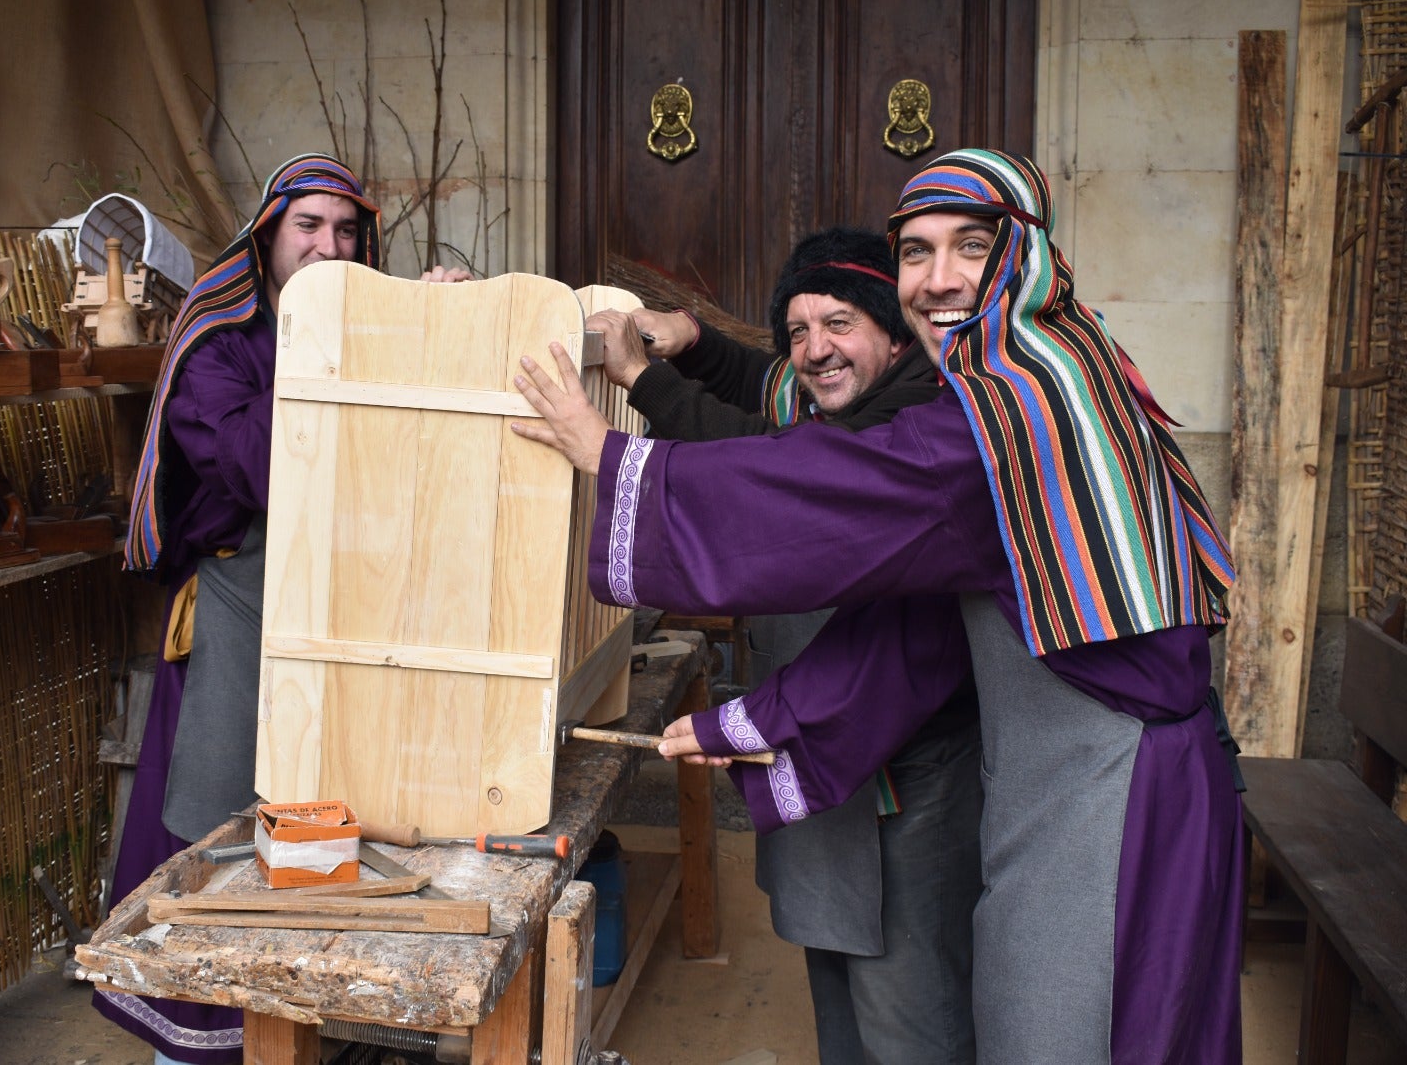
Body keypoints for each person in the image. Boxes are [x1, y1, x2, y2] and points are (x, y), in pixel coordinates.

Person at [513, 148, 1244, 1063]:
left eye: (969, 246)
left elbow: (828, 488)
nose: (939, 280)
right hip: (1075, 780)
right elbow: (914, 615)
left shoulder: (998, 412)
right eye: (916, 252)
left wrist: (617, 461)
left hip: (1115, 796)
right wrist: (765, 716)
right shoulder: (1040, 359)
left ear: (1025, 253)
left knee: (1073, 1034)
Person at [100, 153, 466, 1064]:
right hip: (241, 607)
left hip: (348, 609)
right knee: (221, 835)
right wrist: (352, 339)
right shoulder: (217, 342)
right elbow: (258, 468)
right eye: (309, 228)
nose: (329, 247)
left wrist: (429, 323)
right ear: (268, 239)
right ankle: (197, 1043)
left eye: (347, 232)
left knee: (333, 828)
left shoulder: (365, 319)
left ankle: (321, 1029)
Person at [589, 228, 981, 1064]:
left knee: (907, 1010)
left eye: (838, 323)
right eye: (797, 331)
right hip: (830, 744)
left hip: (907, 772)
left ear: (894, 327)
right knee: (842, 991)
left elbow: (756, 470)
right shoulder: (849, 396)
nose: (814, 351)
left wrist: (626, 411)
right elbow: (766, 402)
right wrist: (693, 342)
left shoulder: (914, 425)